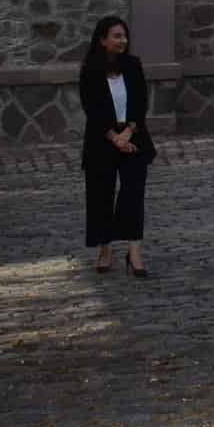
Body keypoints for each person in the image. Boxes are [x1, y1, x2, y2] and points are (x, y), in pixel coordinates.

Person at [77, 15, 155, 277]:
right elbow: (93, 108)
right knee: (100, 195)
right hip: (102, 139)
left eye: (124, 36)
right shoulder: (90, 70)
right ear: (102, 40)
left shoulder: (133, 65)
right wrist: (114, 138)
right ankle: (105, 248)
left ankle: (134, 252)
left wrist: (129, 132)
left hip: (133, 136)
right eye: (116, 36)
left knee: (133, 192)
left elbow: (141, 102)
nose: (122, 41)